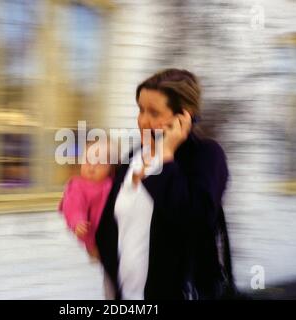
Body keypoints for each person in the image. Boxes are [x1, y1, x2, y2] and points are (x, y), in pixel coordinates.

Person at [95, 68, 236, 300]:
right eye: (140, 109)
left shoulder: (206, 156)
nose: (142, 120)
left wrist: (166, 157)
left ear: (184, 116)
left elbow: (197, 221)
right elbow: (107, 228)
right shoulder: (133, 158)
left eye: (153, 112)